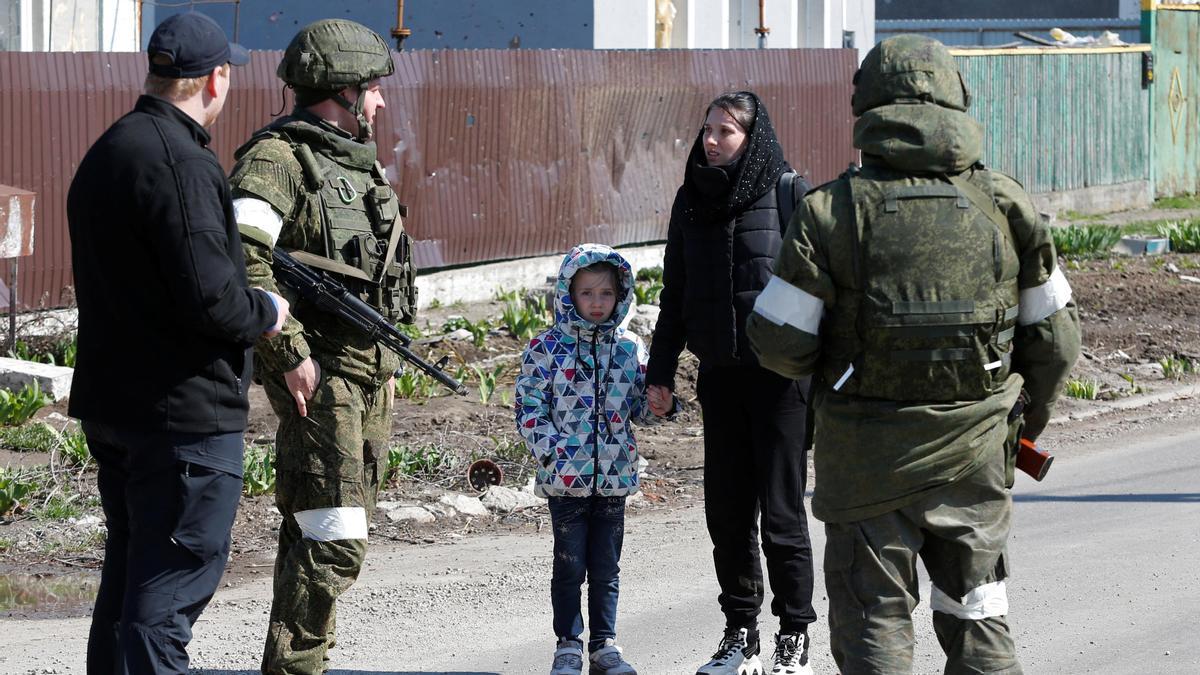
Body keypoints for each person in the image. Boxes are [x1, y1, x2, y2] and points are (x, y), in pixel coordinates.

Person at [746, 35, 1082, 674]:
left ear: (865, 104)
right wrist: (1013, 425)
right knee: (978, 615)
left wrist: (835, 377)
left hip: (864, 462)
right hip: (977, 456)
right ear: (959, 98)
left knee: (876, 626)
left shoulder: (829, 210)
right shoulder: (1005, 203)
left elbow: (780, 343)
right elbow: (1058, 341)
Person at [66, 12, 287, 674]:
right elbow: (213, 298)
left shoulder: (111, 148)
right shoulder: (183, 162)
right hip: (181, 418)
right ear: (216, 78)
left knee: (132, 582)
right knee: (165, 595)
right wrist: (268, 311)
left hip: (119, 405)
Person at [228, 18, 417, 674]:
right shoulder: (278, 158)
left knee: (320, 528)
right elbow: (242, 262)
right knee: (336, 539)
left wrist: (387, 360)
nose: (381, 102)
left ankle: (292, 664)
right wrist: (289, 353)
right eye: (372, 89)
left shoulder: (355, 163)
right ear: (341, 91)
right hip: (321, 369)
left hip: (367, 370)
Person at [645, 91, 816, 675]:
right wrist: (660, 372)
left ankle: (794, 633)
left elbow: (822, 293)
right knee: (727, 513)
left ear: (753, 136)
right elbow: (676, 293)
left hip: (782, 382)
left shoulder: (789, 193)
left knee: (782, 512)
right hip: (719, 380)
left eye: (727, 131)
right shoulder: (690, 202)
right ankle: (740, 632)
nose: (712, 140)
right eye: (708, 129)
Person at [515, 244, 649, 675]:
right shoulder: (545, 347)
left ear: (621, 295)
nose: (596, 302)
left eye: (606, 294)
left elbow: (641, 408)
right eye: (587, 292)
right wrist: (553, 452)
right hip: (565, 480)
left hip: (614, 477)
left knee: (607, 566)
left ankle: (604, 644)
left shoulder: (630, 349)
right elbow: (528, 407)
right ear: (568, 293)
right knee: (570, 564)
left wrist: (661, 399)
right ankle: (568, 643)